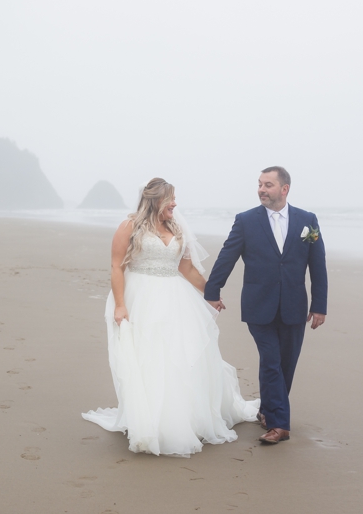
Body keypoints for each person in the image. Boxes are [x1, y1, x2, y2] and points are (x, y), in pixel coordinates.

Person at [81, 178, 261, 455]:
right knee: (149, 357)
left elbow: (187, 269)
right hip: (141, 296)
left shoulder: (175, 227)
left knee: (180, 356)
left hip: (176, 299)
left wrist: (210, 293)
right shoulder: (129, 226)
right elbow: (117, 266)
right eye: (170, 199)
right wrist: (119, 305)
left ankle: (183, 417)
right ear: (155, 199)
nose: (175, 204)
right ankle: (150, 421)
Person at [203, 167, 327, 446]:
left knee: (286, 364)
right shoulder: (246, 221)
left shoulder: (308, 221)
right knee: (271, 361)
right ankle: (279, 424)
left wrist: (320, 305)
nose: (261, 189)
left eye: (268, 185)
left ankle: (267, 409)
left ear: (284, 189)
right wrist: (212, 291)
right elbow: (227, 256)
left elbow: (317, 265)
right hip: (259, 305)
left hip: (295, 306)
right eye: (259, 184)